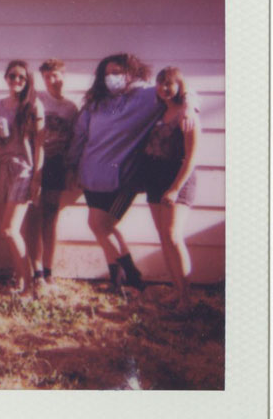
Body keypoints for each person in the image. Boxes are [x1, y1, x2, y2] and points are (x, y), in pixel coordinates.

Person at [66, 52, 195, 293]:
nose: (110, 78)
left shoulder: (147, 96)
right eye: (106, 74)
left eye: (116, 72)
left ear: (130, 74)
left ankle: (130, 277)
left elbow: (181, 91)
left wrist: (188, 106)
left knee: (102, 225)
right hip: (91, 176)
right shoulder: (94, 104)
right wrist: (72, 167)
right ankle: (124, 278)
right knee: (99, 226)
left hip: (122, 179)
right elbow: (79, 138)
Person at [140, 67, 200, 312]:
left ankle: (187, 298)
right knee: (164, 238)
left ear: (179, 86)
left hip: (178, 180)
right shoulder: (160, 111)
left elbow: (191, 158)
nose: (164, 88)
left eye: (170, 84)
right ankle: (176, 292)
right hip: (155, 179)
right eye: (161, 83)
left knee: (174, 236)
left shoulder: (188, 115)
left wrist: (175, 188)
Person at [0, 60, 44, 293]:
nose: (16, 81)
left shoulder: (33, 105)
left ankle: (31, 286)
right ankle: (20, 280)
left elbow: (40, 145)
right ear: (6, 78)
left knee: (9, 230)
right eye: (12, 76)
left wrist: (37, 178)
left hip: (23, 170)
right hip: (2, 168)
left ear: (27, 80)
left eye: (21, 77)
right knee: (8, 231)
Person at [24, 59, 79, 287]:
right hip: (36, 162)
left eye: (55, 75)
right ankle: (34, 270)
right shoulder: (37, 100)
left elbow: (74, 141)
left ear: (64, 76)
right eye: (47, 77)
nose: (51, 81)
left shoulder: (71, 107)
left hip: (57, 164)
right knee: (34, 216)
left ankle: (48, 270)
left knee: (51, 217)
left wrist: (70, 169)